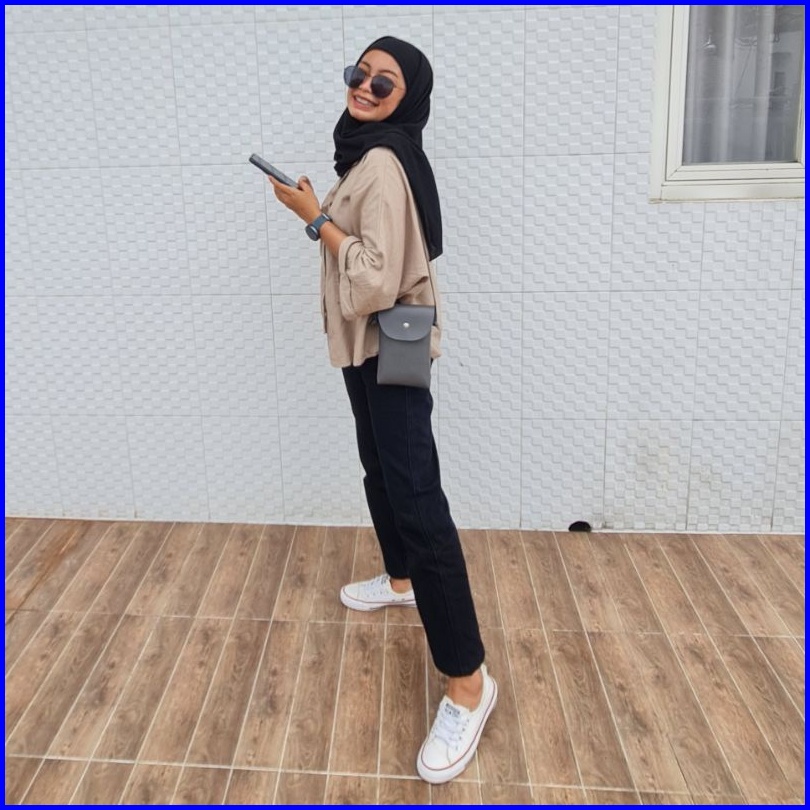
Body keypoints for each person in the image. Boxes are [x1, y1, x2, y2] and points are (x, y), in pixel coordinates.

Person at [267, 35, 496, 785]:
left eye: (383, 82)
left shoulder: (387, 164)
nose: (364, 87)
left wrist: (313, 217)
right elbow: (369, 247)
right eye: (358, 73)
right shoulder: (366, 155)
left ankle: (469, 683)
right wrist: (323, 206)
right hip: (368, 347)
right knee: (379, 469)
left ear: (409, 97)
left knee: (418, 500)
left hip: (387, 341)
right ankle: (401, 582)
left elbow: (370, 280)